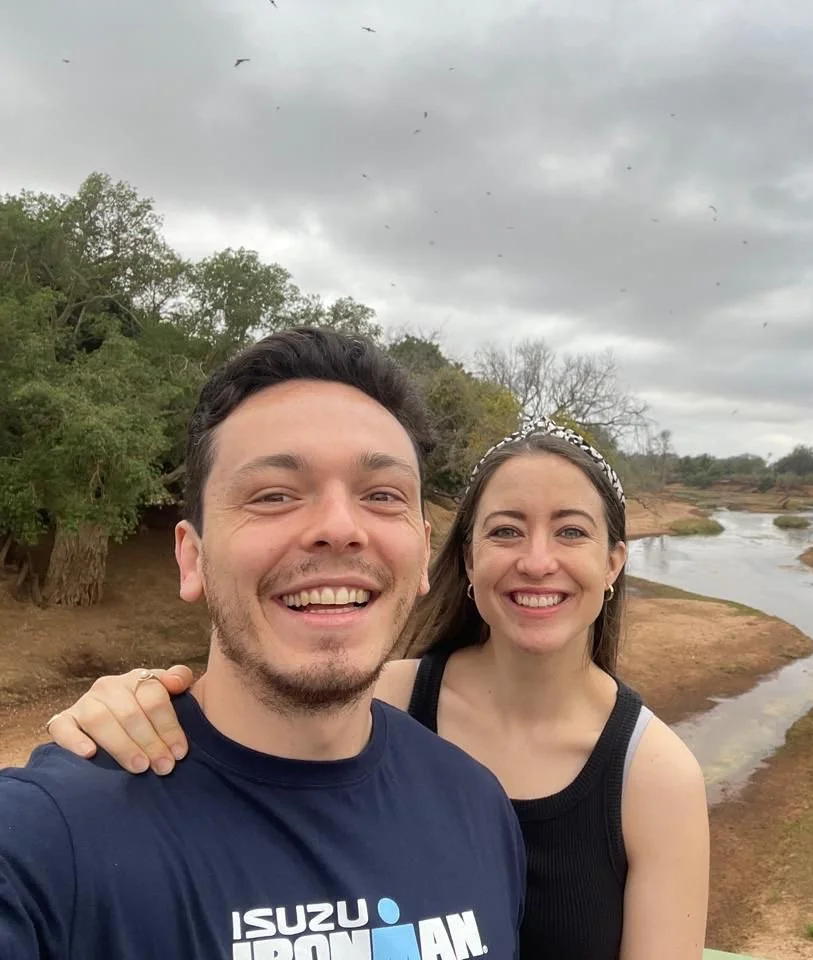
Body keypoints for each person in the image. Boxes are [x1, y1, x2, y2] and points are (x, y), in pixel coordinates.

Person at [46, 416, 711, 959]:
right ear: (468, 559)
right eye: (506, 530)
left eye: (571, 531)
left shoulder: (653, 777)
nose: (537, 560)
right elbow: (250, 714)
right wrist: (140, 700)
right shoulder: (381, 701)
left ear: (613, 563)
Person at [2, 327, 526, 959]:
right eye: (274, 495)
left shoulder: (476, 806)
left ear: (421, 555)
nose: (339, 528)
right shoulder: (46, 840)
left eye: (381, 496)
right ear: (191, 558)